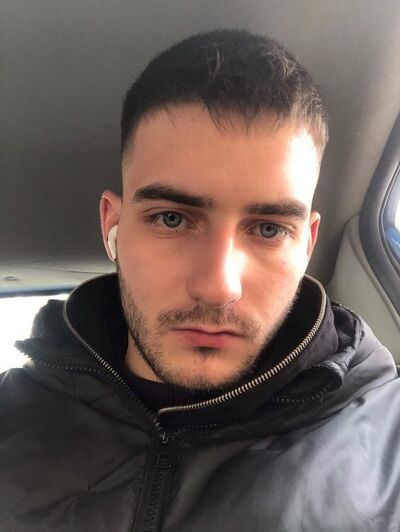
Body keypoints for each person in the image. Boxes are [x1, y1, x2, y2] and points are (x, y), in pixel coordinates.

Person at [1, 29, 399, 532]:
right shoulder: (10, 423)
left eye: (269, 229)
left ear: (306, 245)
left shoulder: (388, 447)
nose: (218, 287)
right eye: (172, 219)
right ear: (112, 226)